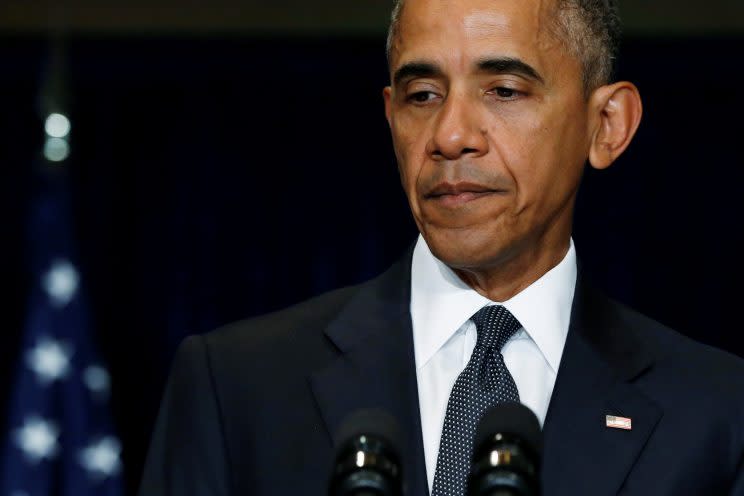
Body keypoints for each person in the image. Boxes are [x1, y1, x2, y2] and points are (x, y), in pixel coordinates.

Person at [138, 0, 744, 494]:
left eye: (504, 90)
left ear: (607, 124)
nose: (451, 136)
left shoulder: (719, 411)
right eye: (422, 95)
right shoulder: (236, 386)